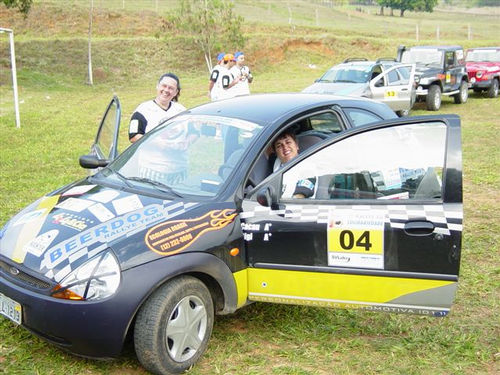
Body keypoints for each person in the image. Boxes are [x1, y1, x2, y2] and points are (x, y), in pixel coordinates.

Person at [128, 73, 186, 143]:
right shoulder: (142, 110)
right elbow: (133, 136)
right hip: (153, 153)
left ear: (176, 92)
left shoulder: (181, 110)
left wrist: (187, 143)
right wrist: (159, 144)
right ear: (157, 86)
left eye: (171, 88)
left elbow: (194, 130)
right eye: (164, 86)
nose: (166, 90)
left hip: (177, 152)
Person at [272, 131, 316, 199]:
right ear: (276, 153)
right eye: (279, 146)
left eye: (288, 142)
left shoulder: (307, 167)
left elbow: (300, 195)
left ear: (297, 146)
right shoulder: (276, 164)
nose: (285, 147)